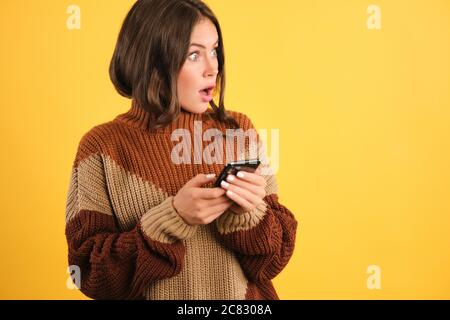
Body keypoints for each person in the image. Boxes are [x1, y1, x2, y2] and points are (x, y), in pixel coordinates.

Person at [65, 0, 298, 300]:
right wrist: (173, 218)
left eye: (214, 51)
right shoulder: (101, 148)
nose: (213, 68)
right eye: (193, 55)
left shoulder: (239, 131)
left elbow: (274, 260)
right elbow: (88, 274)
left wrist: (249, 215)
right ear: (152, 62)